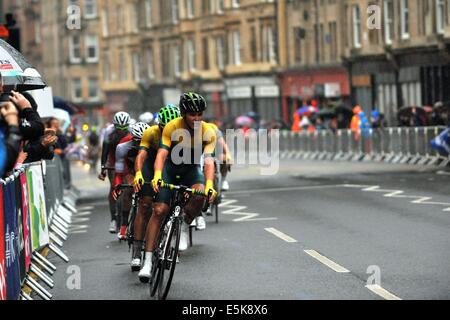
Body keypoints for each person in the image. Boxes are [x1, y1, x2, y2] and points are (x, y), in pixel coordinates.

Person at [137, 92, 218, 281]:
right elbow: (161, 154)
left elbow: (208, 161)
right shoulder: (172, 127)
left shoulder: (208, 131)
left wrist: (209, 185)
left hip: (190, 171)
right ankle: (147, 262)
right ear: (183, 113)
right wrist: (157, 175)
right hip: (169, 171)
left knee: (199, 195)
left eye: (200, 114)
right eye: (192, 114)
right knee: (159, 210)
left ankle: (182, 225)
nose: (197, 118)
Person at [132, 104, 181, 272]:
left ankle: (170, 235)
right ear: (159, 125)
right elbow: (141, 155)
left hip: (170, 165)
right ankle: (137, 252)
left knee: (171, 204)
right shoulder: (151, 133)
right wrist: (138, 173)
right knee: (145, 205)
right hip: (150, 165)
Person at [112, 122, 149, 240]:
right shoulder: (122, 146)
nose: (140, 145)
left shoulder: (154, 144)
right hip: (130, 168)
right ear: (132, 138)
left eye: (143, 142)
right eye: (137, 141)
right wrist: (118, 185)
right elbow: (119, 171)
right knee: (128, 190)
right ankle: (124, 226)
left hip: (147, 167)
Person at [99, 111, 132, 233]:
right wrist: (103, 167)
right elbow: (105, 152)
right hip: (113, 161)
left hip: (126, 161)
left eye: (124, 128)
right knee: (114, 187)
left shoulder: (132, 130)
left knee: (129, 187)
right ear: (114, 126)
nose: (122, 131)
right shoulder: (109, 132)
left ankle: (128, 216)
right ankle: (113, 219)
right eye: (119, 128)